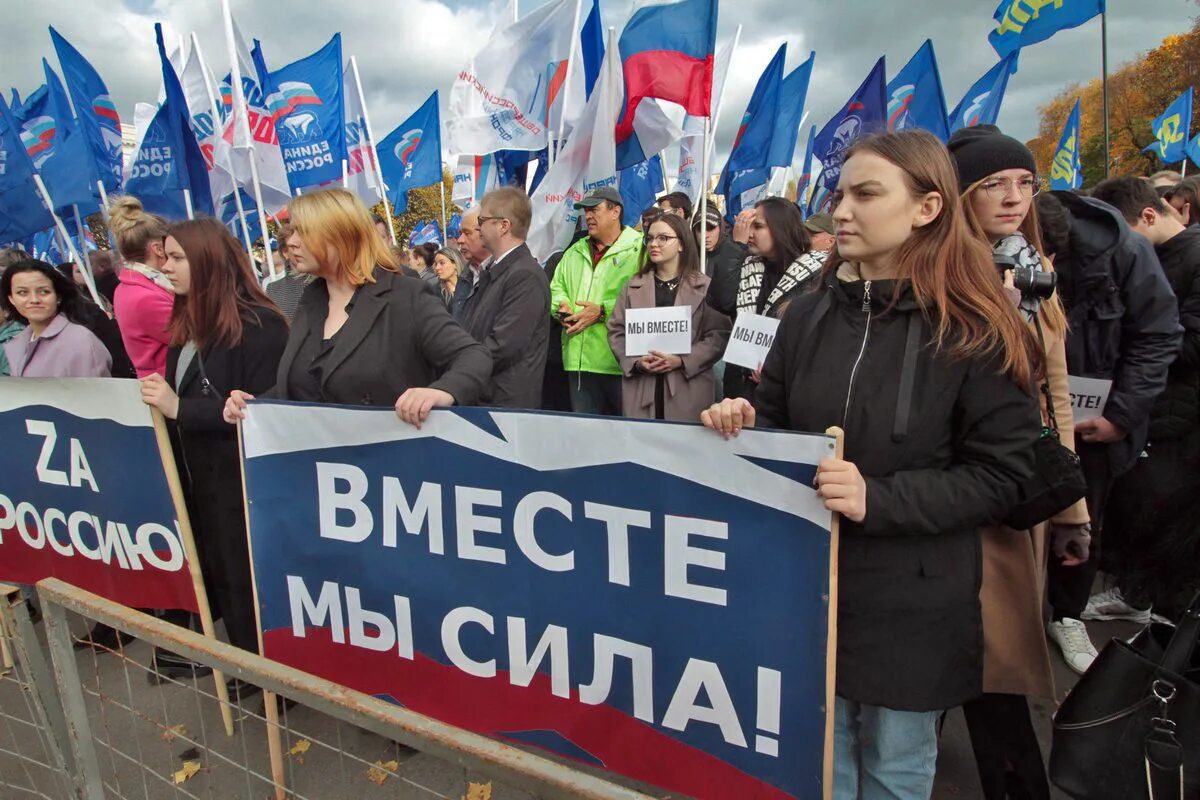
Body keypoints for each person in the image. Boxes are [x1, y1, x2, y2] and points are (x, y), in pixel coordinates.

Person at [702, 130, 1041, 800]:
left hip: (914, 605)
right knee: (821, 762)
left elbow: (1004, 476)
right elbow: (775, 420)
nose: (844, 211)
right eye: (840, 194)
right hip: (807, 591)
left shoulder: (977, 327)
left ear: (927, 208)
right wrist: (742, 426)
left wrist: (877, 499)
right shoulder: (805, 317)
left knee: (892, 769)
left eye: (866, 194)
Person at [951, 124, 1090, 799]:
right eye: (993, 185)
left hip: (1021, 499)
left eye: (1023, 184)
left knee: (995, 671)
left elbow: (1054, 393)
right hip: (959, 492)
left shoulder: (1034, 272)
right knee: (975, 665)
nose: (1012, 198)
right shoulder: (941, 272)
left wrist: (1071, 509)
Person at [1034, 188, 1181, 671]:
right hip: (1026, 413)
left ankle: (1068, 615)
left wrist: (1122, 415)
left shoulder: (1128, 254)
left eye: (1040, 257)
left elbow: (1157, 337)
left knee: (1081, 514)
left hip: (1095, 420)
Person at [139, 218, 287, 687]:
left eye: (177, 257)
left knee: (247, 578)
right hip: (202, 478)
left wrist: (180, 408)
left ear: (208, 261)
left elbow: (261, 413)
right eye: (164, 256)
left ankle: (273, 678)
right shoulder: (186, 322)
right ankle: (247, 663)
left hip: (243, 484)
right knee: (222, 573)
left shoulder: (259, 326)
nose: (165, 267)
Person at [222, 188, 491, 425]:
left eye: (302, 231)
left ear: (341, 235)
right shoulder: (311, 302)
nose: (291, 242)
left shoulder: (405, 296)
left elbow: (473, 357)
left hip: (388, 470)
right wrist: (254, 405)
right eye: (291, 231)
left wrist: (441, 392)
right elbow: (310, 385)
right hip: (317, 471)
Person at [1088, 176, 1200, 621]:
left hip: (1180, 417)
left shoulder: (1192, 257)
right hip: (1160, 408)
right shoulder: (1161, 256)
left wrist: (1135, 338)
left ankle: (1163, 625)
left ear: (1149, 216)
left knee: (1166, 517)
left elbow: (1189, 341)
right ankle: (1140, 597)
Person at [609, 213, 730, 420]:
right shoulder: (632, 286)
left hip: (688, 389)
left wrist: (682, 360)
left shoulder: (704, 286)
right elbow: (616, 331)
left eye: (663, 238)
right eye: (650, 238)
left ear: (681, 244)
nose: (654, 244)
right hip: (642, 390)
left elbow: (718, 336)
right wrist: (636, 362)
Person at [548, 186, 643, 415]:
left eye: (594, 209)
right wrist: (561, 308)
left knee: (627, 439)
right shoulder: (574, 251)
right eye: (585, 210)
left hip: (621, 364)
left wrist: (602, 311)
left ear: (615, 212)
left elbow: (646, 300)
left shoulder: (640, 249)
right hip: (579, 365)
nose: (588, 215)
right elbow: (556, 287)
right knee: (587, 441)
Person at [724, 196, 827, 401]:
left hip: (786, 389)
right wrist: (736, 246)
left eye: (758, 226)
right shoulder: (747, 263)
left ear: (781, 228)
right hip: (741, 388)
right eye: (749, 226)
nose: (750, 233)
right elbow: (721, 299)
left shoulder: (818, 273)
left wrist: (777, 369)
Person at [465, 187, 551, 408]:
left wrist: (460, 368)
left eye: (482, 220)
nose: (477, 226)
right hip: (488, 396)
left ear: (503, 226)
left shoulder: (524, 276)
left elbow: (503, 345)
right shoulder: (498, 271)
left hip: (506, 404)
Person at [2, 258, 112, 377]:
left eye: (44, 291)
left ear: (58, 296)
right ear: (11, 299)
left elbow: (93, 393)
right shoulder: (19, 341)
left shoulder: (80, 341)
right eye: (22, 293)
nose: (34, 300)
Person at [108, 195, 175, 378]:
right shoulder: (145, 297)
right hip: (167, 384)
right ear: (158, 249)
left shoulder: (133, 286)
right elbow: (194, 337)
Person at [692, 206, 745, 318]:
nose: (705, 235)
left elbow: (727, 302)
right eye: (700, 229)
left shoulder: (733, 252)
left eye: (710, 228)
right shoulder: (688, 256)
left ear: (720, 229)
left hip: (723, 324)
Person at [263, 224, 312, 321]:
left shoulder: (325, 281)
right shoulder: (273, 290)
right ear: (285, 252)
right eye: (294, 246)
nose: (304, 250)